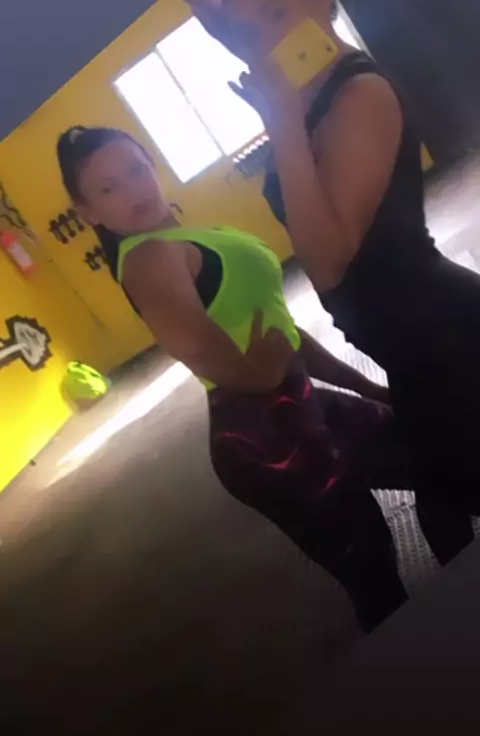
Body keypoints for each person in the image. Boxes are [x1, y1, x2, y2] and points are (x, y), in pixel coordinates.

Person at [179, 0, 480, 565]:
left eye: (275, 13)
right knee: (444, 500)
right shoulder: (300, 75)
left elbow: (329, 262)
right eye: (247, 29)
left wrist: (283, 125)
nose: (261, 42)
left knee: (448, 499)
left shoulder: (359, 95)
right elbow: (238, 26)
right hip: (405, 343)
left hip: (445, 338)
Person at [56, 124, 422, 632]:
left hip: (300, 405)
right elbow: (198, 348)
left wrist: (365, 387)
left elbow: (277, 330)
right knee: (374, 575)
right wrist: (266, 370)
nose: (132, 190)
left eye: (136, 170)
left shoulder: (189, 238)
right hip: (263, 440)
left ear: (153, 166)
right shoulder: (147, 258)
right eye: (108, 187)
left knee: (433, 462)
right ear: (89, 212)